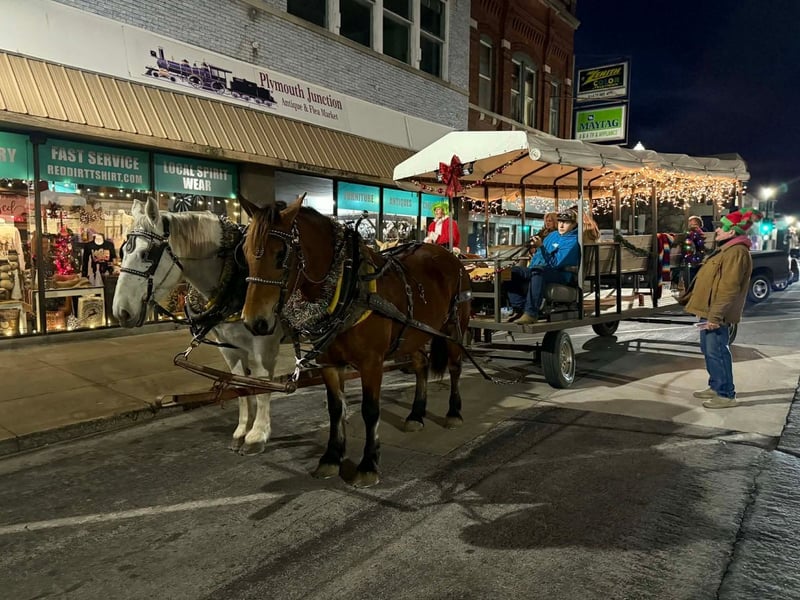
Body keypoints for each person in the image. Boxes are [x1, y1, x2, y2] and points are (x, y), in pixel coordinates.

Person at [682, 209, 760, 409]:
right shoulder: (726, 249)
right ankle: (716, 386)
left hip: (716, 313)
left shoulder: (736, 252)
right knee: (709, 351)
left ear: (732, 232)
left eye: (721, 227)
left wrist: (715, 317)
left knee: (717, 351)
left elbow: (728, 288)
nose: (717, 230)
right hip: (709, 310)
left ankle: (726, 394)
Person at [503, 210, 581, 324]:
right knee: (510, 272)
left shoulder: (573, 241)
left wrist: (541, 247)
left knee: (538, 271)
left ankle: (531, 313)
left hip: (560, 273)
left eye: (566, 222)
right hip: (539, 268)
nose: (561, 225)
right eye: (560, 222)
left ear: (574, 224)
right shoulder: (552, 235)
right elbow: (538, 256)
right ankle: (519, 308)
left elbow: (555, 263)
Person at [676, 215, 706, 287]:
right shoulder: (687, 235)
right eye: (691, 225)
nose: (693, 226)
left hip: (698, 260)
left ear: (700, 226)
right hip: (690, 260)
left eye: (695, 224)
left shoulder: (701, 233)